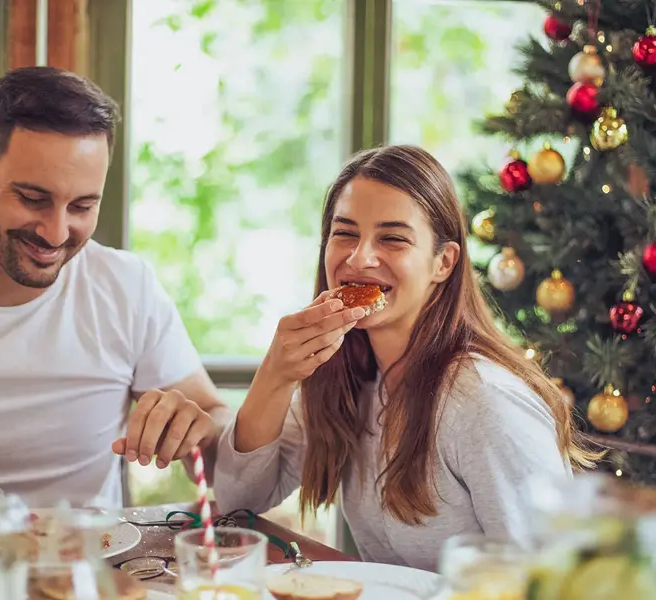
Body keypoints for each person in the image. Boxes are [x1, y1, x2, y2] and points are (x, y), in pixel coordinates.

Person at [0, 66, 228, 528]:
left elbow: (215, 429)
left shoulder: (126, 287)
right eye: (32, 198)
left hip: (87, 564)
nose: (56, 232)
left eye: (82, 206)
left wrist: (196, 425)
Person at [214, 145, 597, 571]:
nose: (359, 258)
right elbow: (237, 501)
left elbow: (553, 580)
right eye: (345, 233)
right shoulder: (348, 375)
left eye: (393, 238)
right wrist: (275, 375)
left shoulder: (485, 402)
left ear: (443, 263)